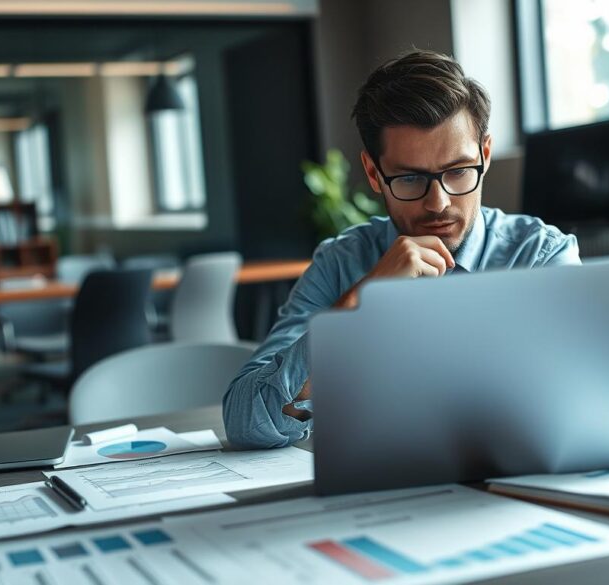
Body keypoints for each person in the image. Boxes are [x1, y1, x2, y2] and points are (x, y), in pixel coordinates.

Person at [223, 49, 581, 448]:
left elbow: (580, 404)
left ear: (485, 154)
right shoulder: (340, 263)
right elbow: (244, 421)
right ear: (374, 173)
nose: (438, 203)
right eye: (410, 179)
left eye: (458, 171)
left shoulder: (540, 257)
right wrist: (358, 305)